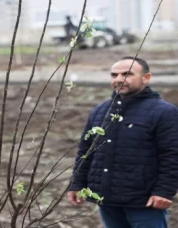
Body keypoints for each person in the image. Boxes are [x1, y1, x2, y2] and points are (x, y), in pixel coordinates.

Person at [67, 56, 178, 228]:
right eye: (114, 75)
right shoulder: (99, 111)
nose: (119, 79)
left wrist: (164, 191)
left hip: (144, 201)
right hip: (107, 199)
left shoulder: (164, 112)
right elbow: (86, 151)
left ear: (146, 78)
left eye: (127, 74)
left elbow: (172, 154)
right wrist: (77, 183)